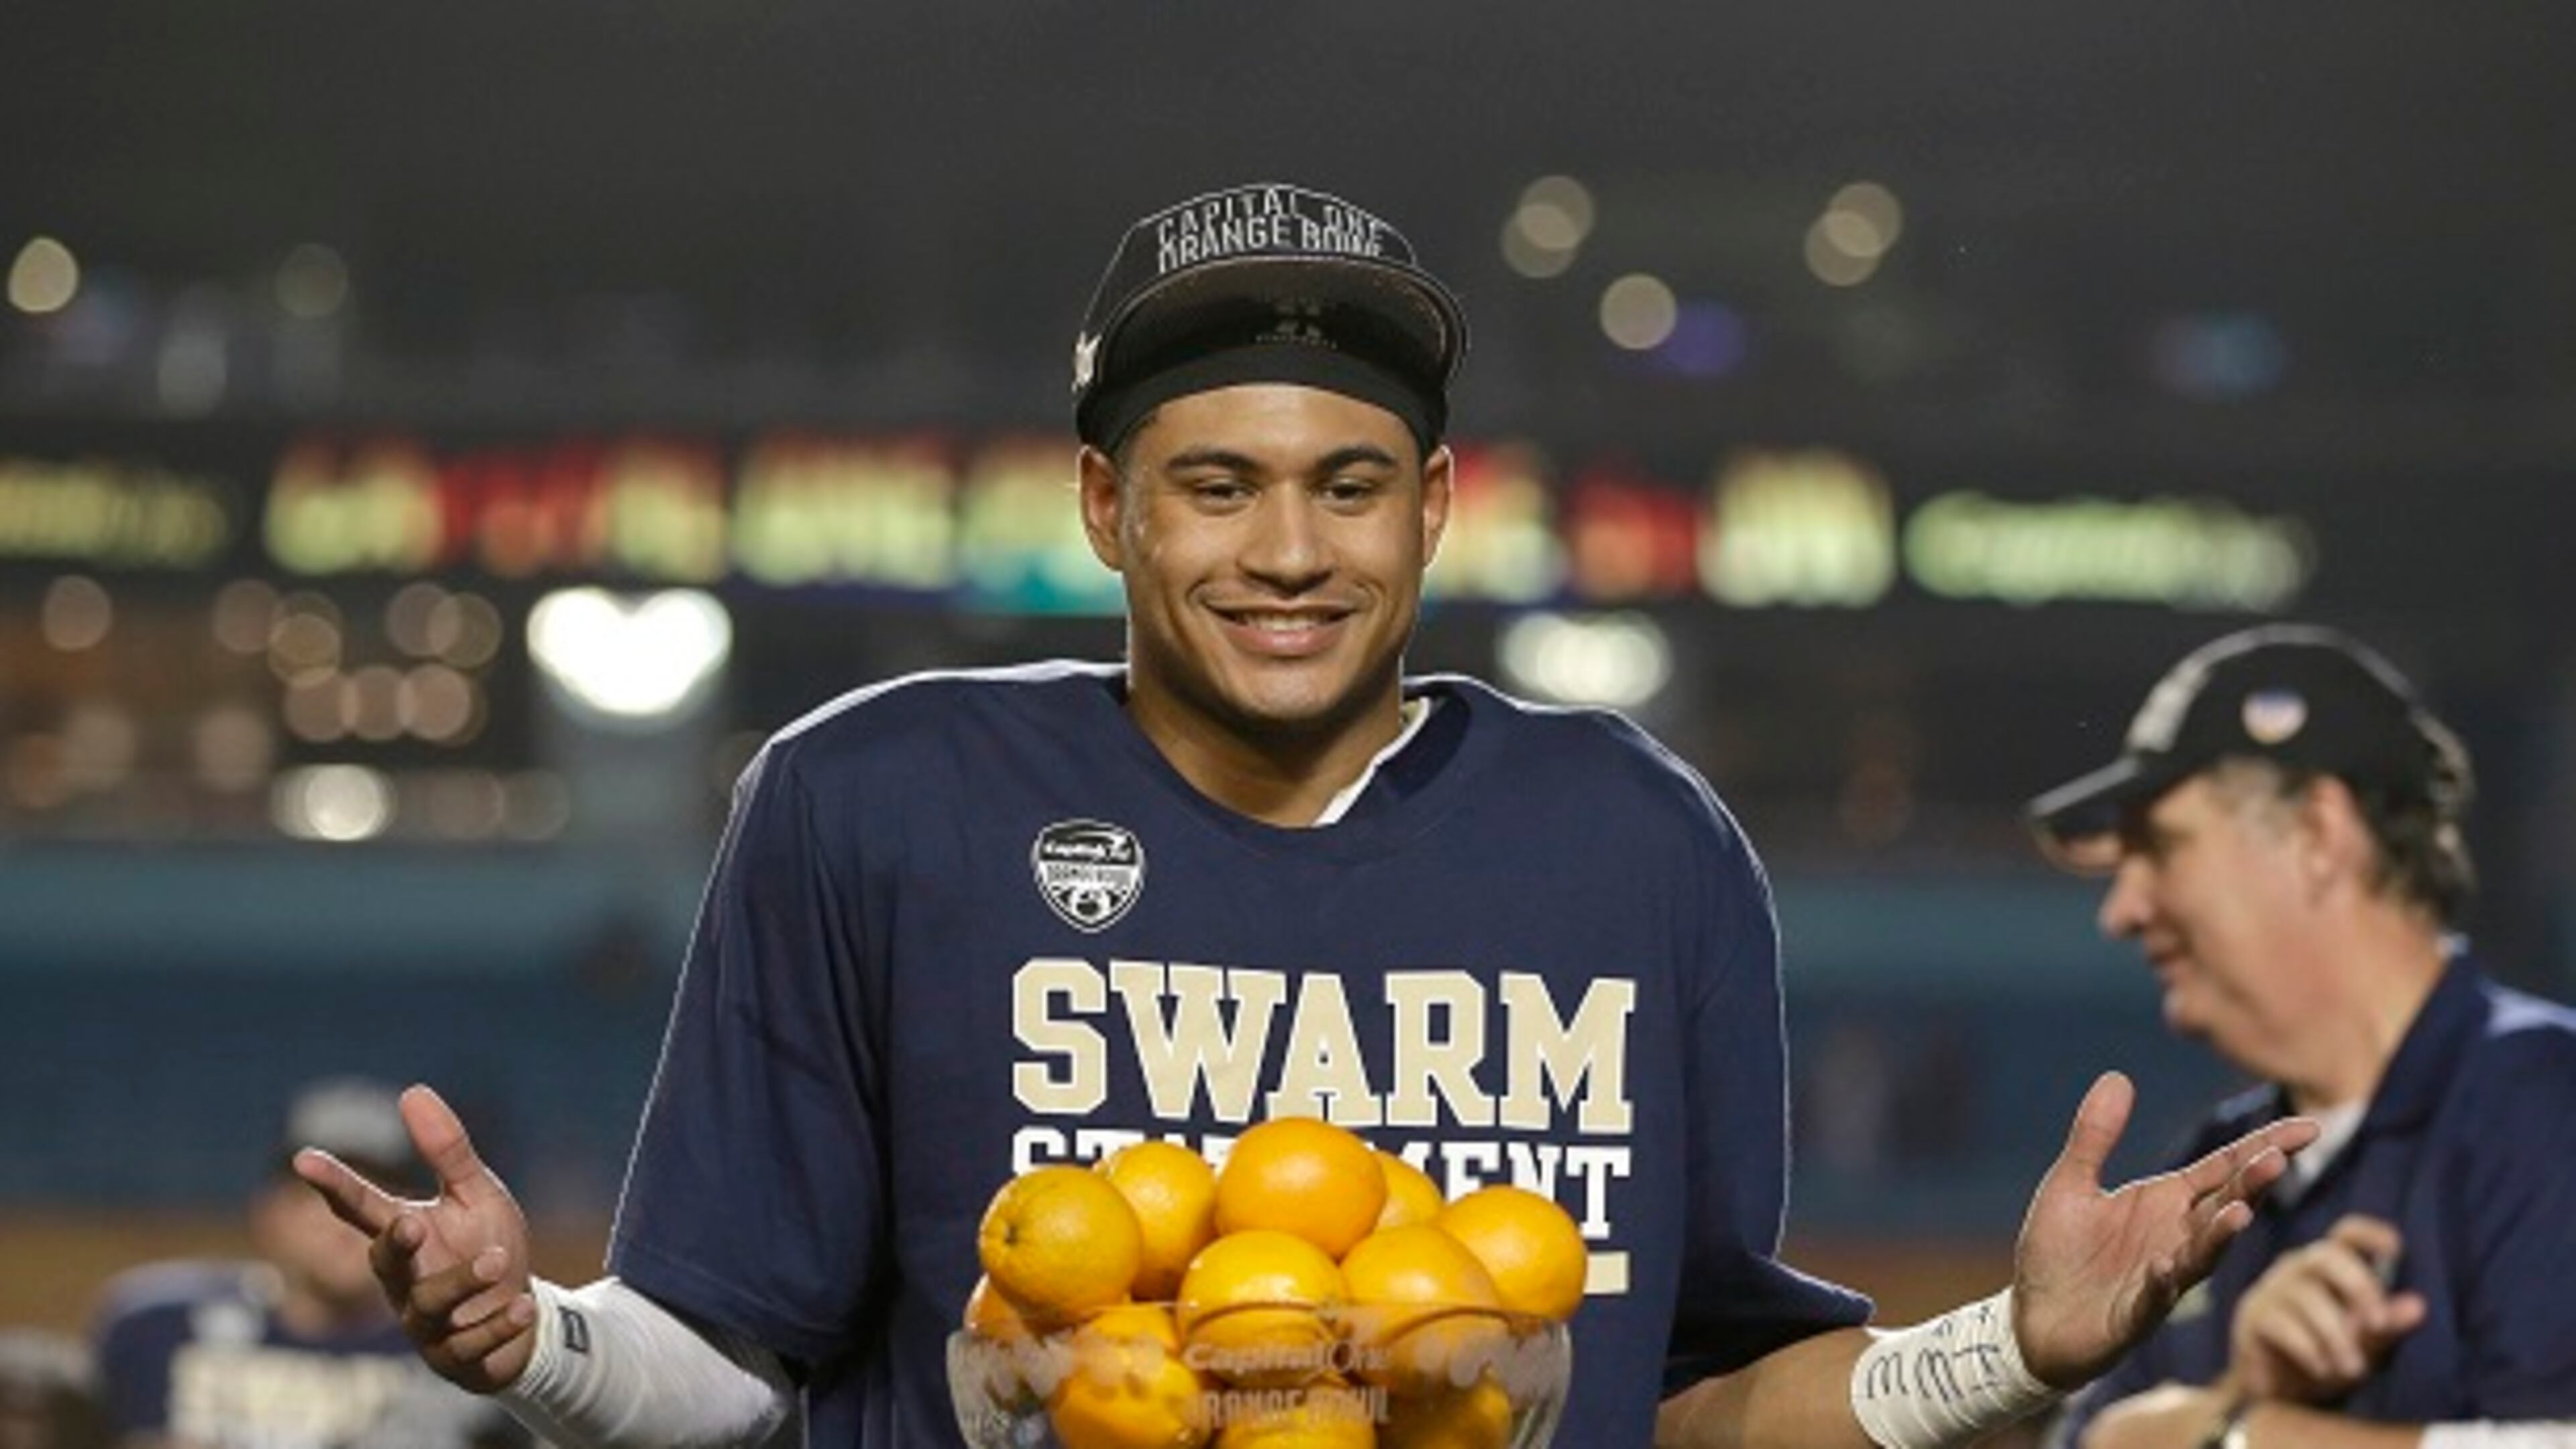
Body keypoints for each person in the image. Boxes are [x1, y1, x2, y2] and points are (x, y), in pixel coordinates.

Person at [294, 182, 2313, 1449]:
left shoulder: (1636, 841)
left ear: (1433, 509)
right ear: (1105, 503)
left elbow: (1682, 1403)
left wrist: (2012, 1354)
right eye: (1215, 485)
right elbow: (733, 1367)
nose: (1288, 552)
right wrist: (531, 1338)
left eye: (1349, 485)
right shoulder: (872, 803)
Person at [2026, 626, 2576, 1448]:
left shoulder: (2545, 1098)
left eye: (2164, 848)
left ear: (2319, 833)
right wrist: (2238, 1399)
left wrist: (2248, 1437)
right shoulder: (2220, 1157)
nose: (2123, 909)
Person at [89, 1079, 528, 1449]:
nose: (344, 1224)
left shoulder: (466, 1356)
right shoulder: (153, 1327)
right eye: (320, 1197)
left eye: (377, 1196)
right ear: (268, 1213)